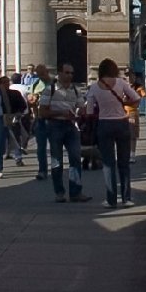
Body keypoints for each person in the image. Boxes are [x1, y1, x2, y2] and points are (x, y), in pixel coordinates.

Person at [85, 59, 141, 208]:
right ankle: (126, 198)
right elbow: (136, 98)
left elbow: (89, 111)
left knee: (108, 164)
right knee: (124, 163)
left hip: (104, 124)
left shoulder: (94, 88)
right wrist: (124, 103)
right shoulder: (121, 83)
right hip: (122, 123)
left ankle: (111, 200)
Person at [38, 64, 91, 203]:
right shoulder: (50, 90)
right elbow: (42, 112)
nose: (70, 75)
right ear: (59, 74)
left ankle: (75, 192)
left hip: (71, 125)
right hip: (55, 125)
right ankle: (59, 192)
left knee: (75, 158)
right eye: (67, 72)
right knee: (57, 161)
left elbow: (80, 107)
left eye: (72, 73)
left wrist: (81, 112)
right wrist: (60, 112)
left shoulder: (76, 90)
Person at [27, 63, 51, 180]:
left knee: (56, 146)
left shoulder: (54, 83)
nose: (41, 76)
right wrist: (32, 100)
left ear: (47, 72)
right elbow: (30, 101)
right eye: (38, 74)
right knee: (41, 147)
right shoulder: (35, 84)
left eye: (42, 74)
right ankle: (42, 170)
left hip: (53, 119)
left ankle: (57, 168)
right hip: (40, 119)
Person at [0, 75, 28, 166]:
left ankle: (18, 157)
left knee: (15, 138)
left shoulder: (15, 93)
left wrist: (18, 113)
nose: (6, 84)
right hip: (0, 118)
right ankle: (4, 154)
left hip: (13, 117)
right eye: (3, 82)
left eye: (7, 82)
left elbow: (23, 105)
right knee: (1, 138)